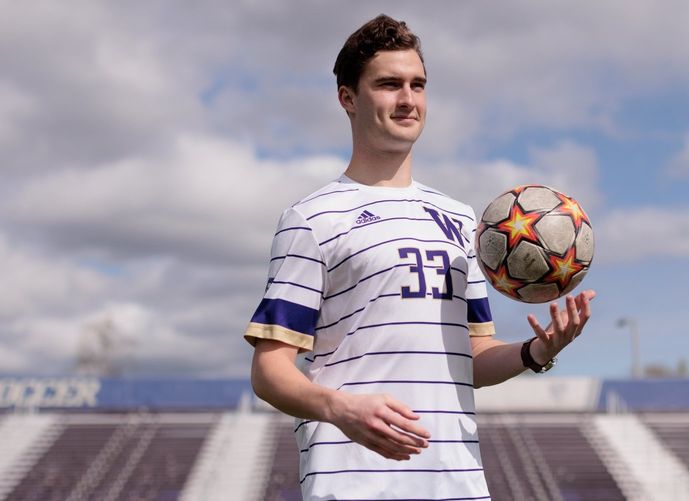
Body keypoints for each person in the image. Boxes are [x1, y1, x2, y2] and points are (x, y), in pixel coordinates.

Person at [245, 14, 594, 500]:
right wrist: (339, 408)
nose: (408, 99)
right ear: (348, 97)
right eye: (389, 84)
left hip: (457, 481)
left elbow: (470, 356)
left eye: (418, 85)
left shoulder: (461, 219)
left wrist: (536, 353)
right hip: (353, 483)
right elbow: (270, 370)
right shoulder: (312, 218)